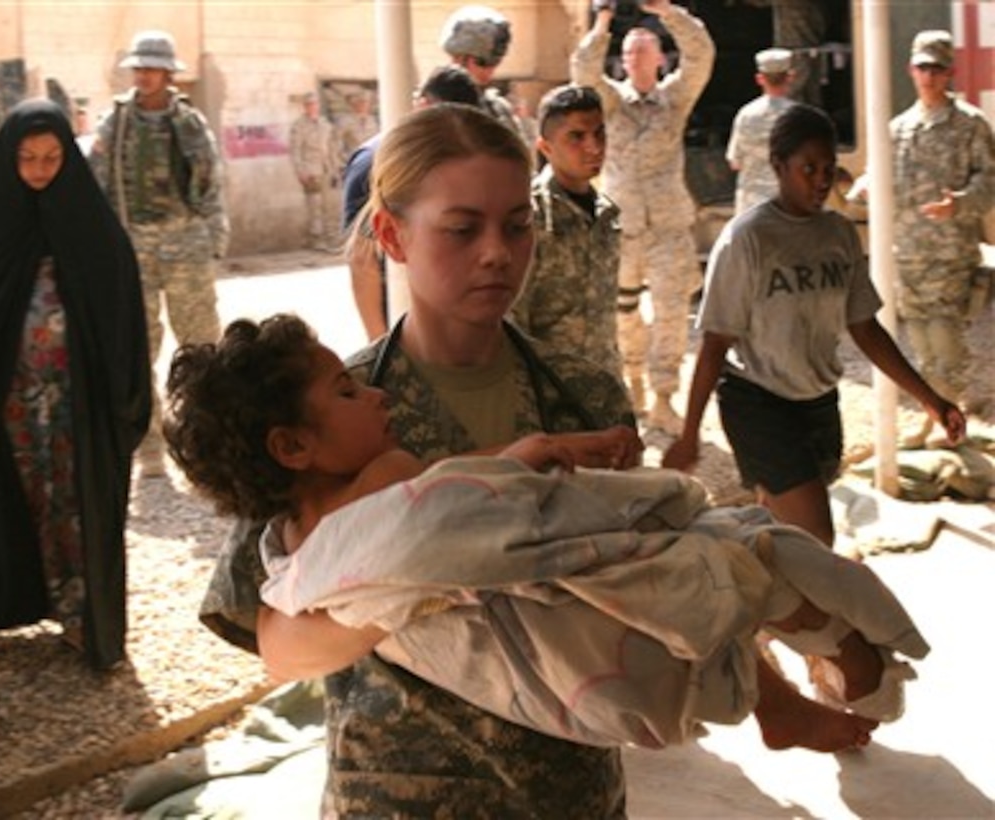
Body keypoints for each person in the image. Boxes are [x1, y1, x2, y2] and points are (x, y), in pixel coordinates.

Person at [168, 314, 927, 756]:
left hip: (557, 687)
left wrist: (524, 457)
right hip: (515, 693)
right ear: (291, 447)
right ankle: (834, 645)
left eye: (516, 222)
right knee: (732, 556)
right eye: (346, 392)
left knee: (721, 562)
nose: (372, 393)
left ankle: (811, 663)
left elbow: (455, 493)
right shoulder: (342, 514)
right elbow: (427, 528)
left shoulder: (557, 371)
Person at [199, 103, 642, 817]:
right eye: (462, 229)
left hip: (566, 789)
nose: (496, 252)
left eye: (517, 225)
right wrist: (430, 568)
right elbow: (279, 646)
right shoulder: (326, 416)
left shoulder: (582, 398)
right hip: (398, 794)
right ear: (391, 235)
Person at [662, 104, 967, 550]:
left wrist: (931, 400)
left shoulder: (839, 235)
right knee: (817, 535)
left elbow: (867, 330)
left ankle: (765, 607)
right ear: (778, 166)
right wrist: (689, 437)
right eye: (808, 168)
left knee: (784, 532)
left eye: (828, 168)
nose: (821, 180)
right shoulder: (748, 237)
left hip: (819, 404)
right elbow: (714, 343)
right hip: (758, 402)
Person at [0, 99, 151, 673]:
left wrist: (122, 398)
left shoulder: (91, 226)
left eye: (52, 158)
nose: (41, 170)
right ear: (8, 158)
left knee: (75, 504)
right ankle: (4, 607)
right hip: (3, 401)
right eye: (27, 158)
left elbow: (121, 312)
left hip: (77, 404)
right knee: (9, 497)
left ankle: (79, 617)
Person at [88, 29, 227, 479]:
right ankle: (148, 445)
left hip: (184, 239)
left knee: (201, 345)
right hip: (134, 243)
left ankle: (207, 439)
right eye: (139, 68)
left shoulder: (189, 123)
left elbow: (211, 181)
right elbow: (98, 181)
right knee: (138, 346)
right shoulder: (116, 122)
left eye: (152, 68)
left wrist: (212, 237)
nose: (144, 75)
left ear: (168, 74)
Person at [572, 0, 715, 432]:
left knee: (672, 312)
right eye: (629, 51)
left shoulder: (675, 99)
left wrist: (667, 12)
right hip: (623, 227)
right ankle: (632, 378)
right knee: (623, 311)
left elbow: (702, 52)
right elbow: (582, 70)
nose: (635, 56)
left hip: (669, 226)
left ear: (659, 59)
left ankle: (665, 397)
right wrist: (604, 22)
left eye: (644, 49)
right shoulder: (610, 102)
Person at [874, 30, 994, 446]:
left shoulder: (970, 124)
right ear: (911, 69)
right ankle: (934, 415)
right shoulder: (899, 128)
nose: (929, 76)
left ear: (950, 72)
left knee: (946, 338)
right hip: (907, 252)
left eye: (938, 68)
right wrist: (864, 187)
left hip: (949, 253)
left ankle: (950, 418)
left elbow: (990, 180)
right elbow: (883, 173)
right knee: (921, 342)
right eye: (923, 67)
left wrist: (960, 204)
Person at [341, 66, 482, 341]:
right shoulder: (373, 163)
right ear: (421, 106)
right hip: (399, 320)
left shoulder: (465, 158)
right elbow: (362, 259)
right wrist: (379, 342)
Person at [510, 84, 622, 373]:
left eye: (599, 133)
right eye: (576, 136)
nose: (594, 147)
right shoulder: (529, 217)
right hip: (551, 389)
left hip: (603, 384)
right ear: (545, 147)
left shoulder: (606, 214)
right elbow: (511, 319)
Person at [726, 47, 796, 216]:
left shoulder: (746, 115)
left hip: (752, 206)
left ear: (759, 79)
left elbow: (735, 162)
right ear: (791, 77)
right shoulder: (801, 117)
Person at [439, 4, 522, 136]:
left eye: (494, 63)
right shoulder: (434, 105)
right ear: (458, 59)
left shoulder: (498, 110)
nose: (489, 72)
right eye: (482, 63)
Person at [289, 90, 343, 252]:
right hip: (311, 169)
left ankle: (331, 239)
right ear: (305, 107)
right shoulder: (299, 126)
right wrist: (300, 171)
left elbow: (331, 148)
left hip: (327, 168)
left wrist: (336, 168)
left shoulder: (325, 124)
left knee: (330, 205)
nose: (312, 107)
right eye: (309, 104)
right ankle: (316, 240)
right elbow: (295, 150)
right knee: (315, 206)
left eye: (315, 104)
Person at [337, 88, 378, 162]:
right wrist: (346, 159)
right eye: (360, 102)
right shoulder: (345, 121)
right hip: (354, 160)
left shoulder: (372, 121)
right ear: (354, 104)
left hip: (371, 160)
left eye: (366, 103)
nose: (364, 106)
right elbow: (336, 143)